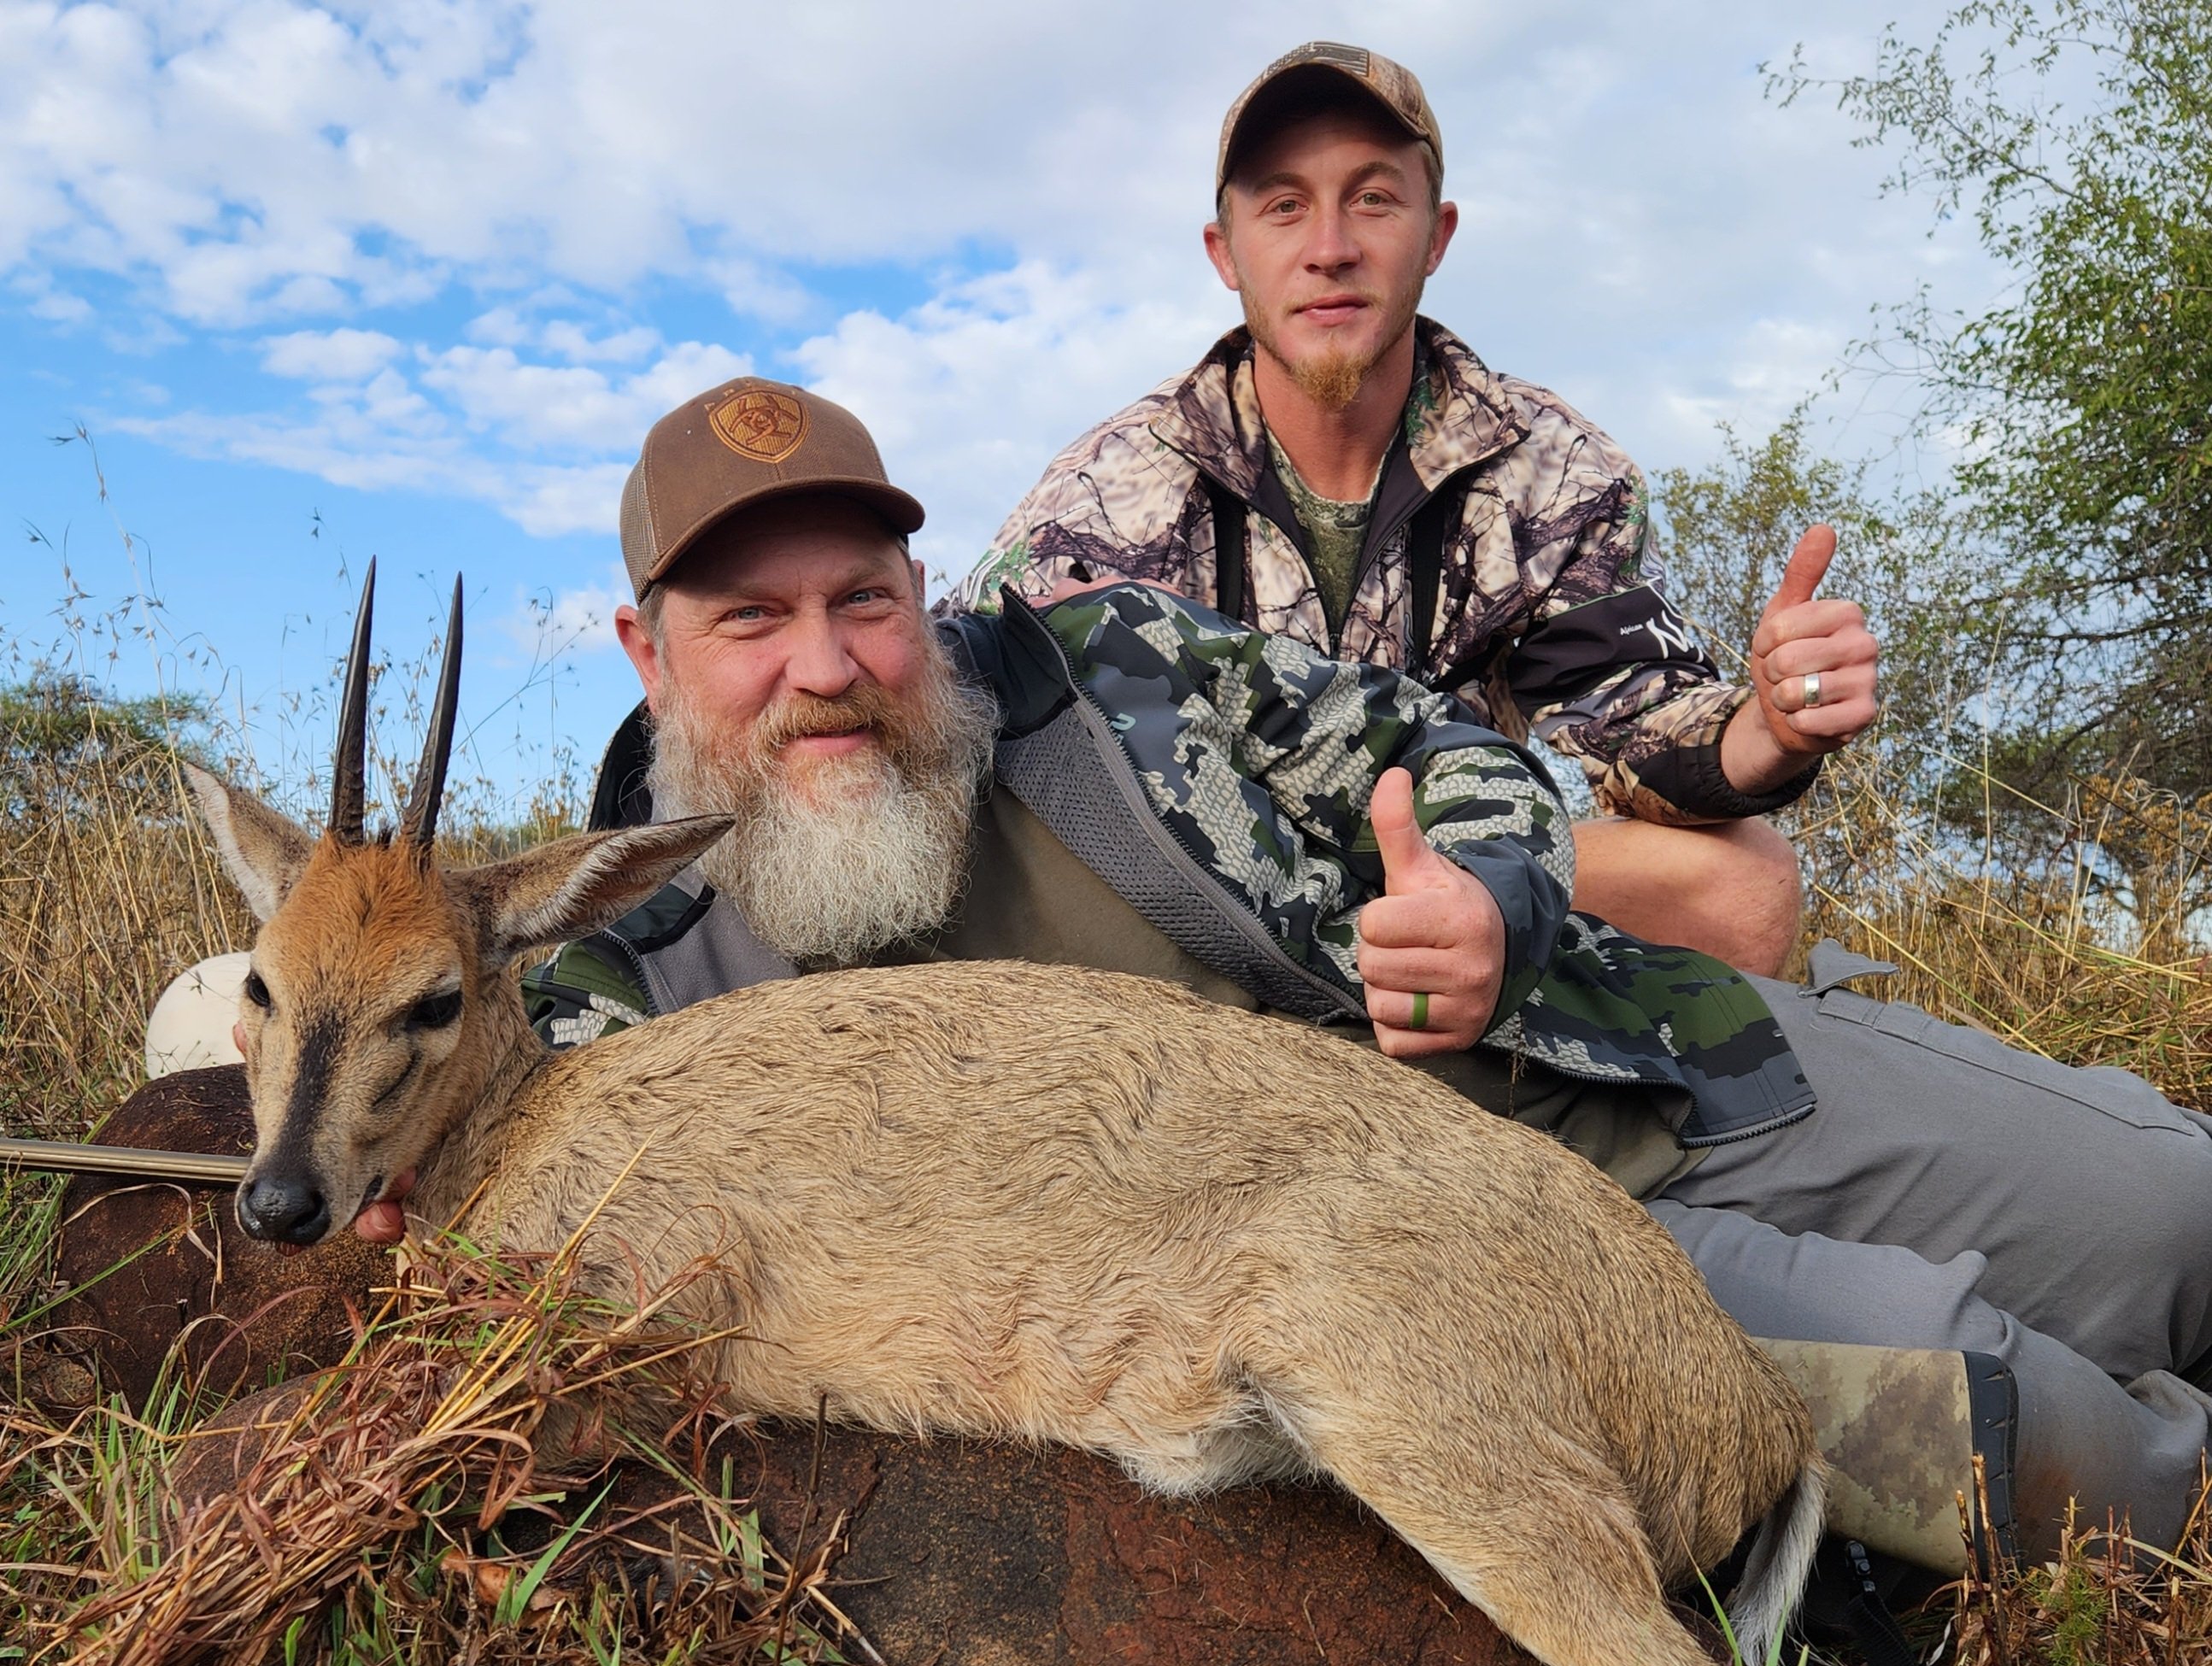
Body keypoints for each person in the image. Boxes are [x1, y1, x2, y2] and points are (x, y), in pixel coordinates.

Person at [511, 375, 2212, 1581]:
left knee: (2167, 1208)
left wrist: (1483, 902)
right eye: (750, 620)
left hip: (1617, 1063)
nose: (828, 667)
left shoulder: (1098, 670)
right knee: (2029, 1443)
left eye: (863, 600)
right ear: (644, 647)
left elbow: (1437, 752)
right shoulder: (614, 976)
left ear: (916, 587)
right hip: (1459, 1297)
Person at [947, 43, 1881, 979]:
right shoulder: (1107, 487)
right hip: (1208, 907)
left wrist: (1771, 728)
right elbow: (959, 710)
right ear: (1224, 253)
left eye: (1374, 199)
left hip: (1458, 892)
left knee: (1742, 884)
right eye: (1283, 206)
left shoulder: (1549, 471)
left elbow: (1638, 731)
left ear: (1436, 236)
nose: (1330, 248)